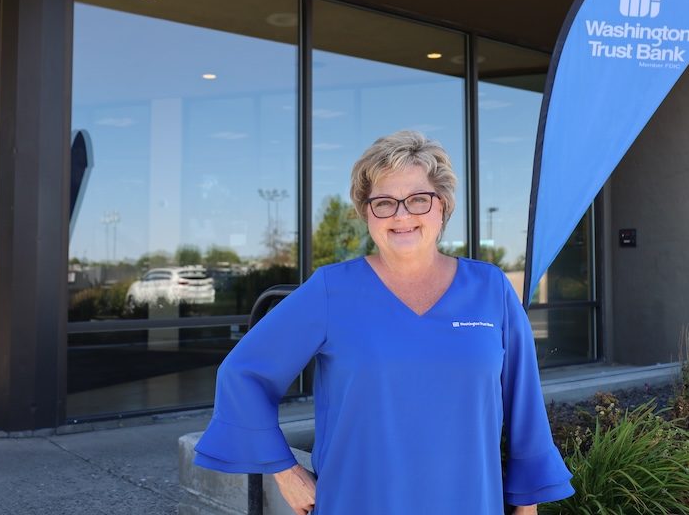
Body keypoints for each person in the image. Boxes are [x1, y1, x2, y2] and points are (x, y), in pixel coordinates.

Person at [194, 130, 574, 514]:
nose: (401, 215)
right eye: (384, 203)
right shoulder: (330, 290)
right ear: (367, 214)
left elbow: (524, 402)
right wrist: (285, 471)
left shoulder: (490, 288)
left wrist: (527, 504)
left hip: (469, 502)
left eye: (418, 199)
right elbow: (243, 375)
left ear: (442, 206)